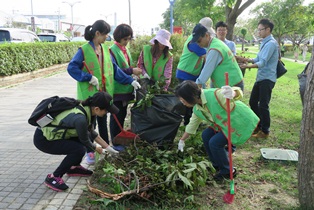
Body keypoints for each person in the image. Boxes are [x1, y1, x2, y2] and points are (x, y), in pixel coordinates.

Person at [67, 20, 141, 164]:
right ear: (97, 33)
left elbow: (115, 70)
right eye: (105, 34)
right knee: (89, 126)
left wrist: (129, 80)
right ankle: (90, 152)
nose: (107, 37)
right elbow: (72, 68)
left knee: (103, 122)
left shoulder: (105, 50)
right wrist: (87, 77)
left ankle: (106, 149)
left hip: (104, 94)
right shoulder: (83, 50)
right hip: (89, 96)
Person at [33, 92, 120, 192]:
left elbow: (91, 133)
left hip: (53, 136)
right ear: (97, 109)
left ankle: (73, 167)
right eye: (106, 111)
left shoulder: (88, 111)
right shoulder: (80, 118)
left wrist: (110, 149)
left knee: (81, 146)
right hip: (43, 140)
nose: (107, 113)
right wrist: (99, 149)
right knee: (79, 149)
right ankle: (53, 177)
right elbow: (85, 140)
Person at [176, 81, 259, 181]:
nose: (182, 102)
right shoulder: (197, 108)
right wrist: (182, 140)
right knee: (206, 135)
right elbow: (192, 125)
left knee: (214, 143)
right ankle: (217, 164)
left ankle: (228, 171)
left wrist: (232, 93)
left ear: (190, 96)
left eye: (182, 99)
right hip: (224, 124)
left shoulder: (213, 94)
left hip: (238, 121)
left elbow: (237, 93)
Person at [239, 18, 279, 138]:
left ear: (268, 29)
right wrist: (246, 59)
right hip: (261, 78)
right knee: (252, 102)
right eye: (258, 30)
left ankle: (265, 131)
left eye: (260, 30)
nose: (258, 32)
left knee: (263, 105)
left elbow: (262, 62)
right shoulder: (264, 42)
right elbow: (258, 59)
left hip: (267, 79)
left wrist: (247, 66)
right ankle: (258, 125)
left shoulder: (271, 43)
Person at [175, 17, 215, 125]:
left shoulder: (198, 39)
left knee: (193, 97)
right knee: (189, 98)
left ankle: (194, 121)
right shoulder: (193, 41)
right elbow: (206, 56)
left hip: (192, 74)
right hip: (185, 73)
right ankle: (188, 122)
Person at [109, 23, 142, 142]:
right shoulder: (112, 51)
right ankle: (115, 140)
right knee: (116, 117)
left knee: (122, 115)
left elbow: (127, 65)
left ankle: (119, 139)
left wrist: (133, 74)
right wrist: (131, 71)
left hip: (126, 89)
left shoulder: (125, 49)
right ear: (118, 37)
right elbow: (114, 71)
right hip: (117, 90)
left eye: (129, 39)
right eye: (125, 39)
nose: (127, 41)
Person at [192, 23, 244, 91]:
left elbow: (206, 71)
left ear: (207, 35)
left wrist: (195, 87)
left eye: (199, 41)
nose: (198, 44)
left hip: (232, 86)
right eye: (196, 42)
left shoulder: (214, 49)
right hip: (228, 84)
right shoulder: (215, 43)